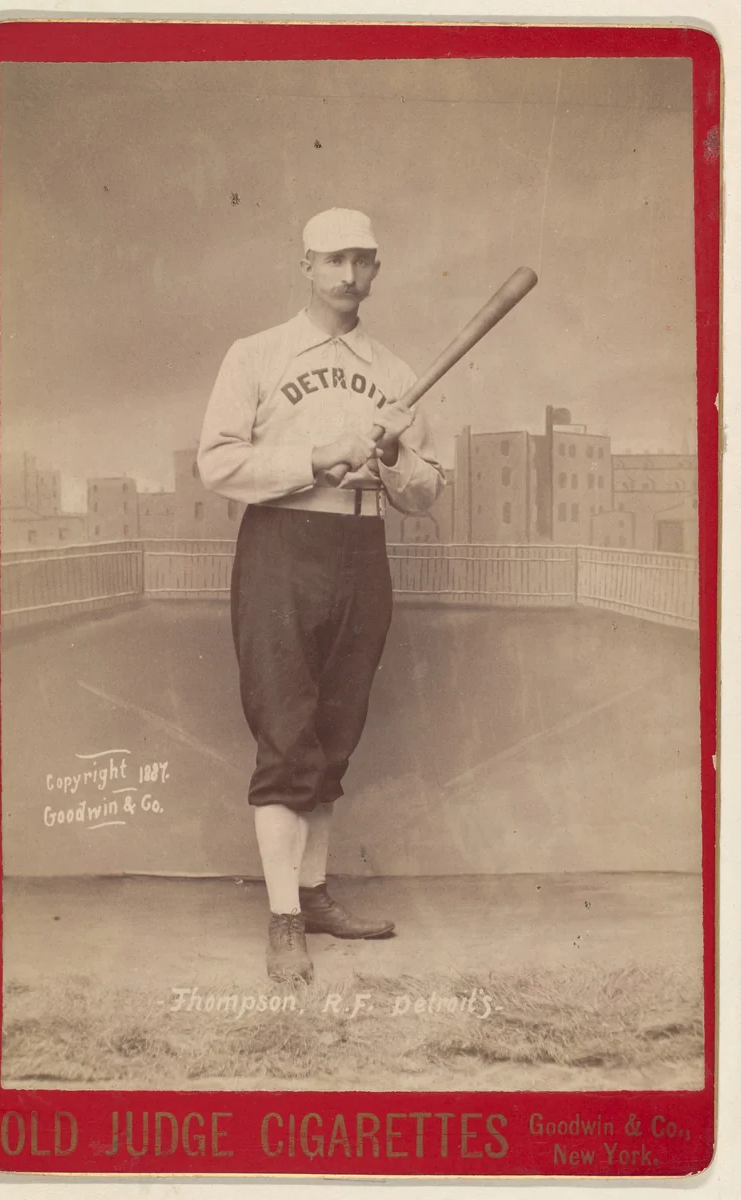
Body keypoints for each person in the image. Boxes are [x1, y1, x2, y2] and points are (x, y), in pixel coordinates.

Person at [197, 208, 445, 982]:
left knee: (336, 731)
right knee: (286, 729)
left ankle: (312, 898)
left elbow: (426, 495)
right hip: (282, 544)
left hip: (362, 547)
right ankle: (280, 921)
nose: (348, 275)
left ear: (376, 269)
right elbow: (217, 463)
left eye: (362, 261)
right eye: (333, 260)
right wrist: (317, 454)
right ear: (304, 265)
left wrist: (396, 452)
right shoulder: (257, 354)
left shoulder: (395, 372)